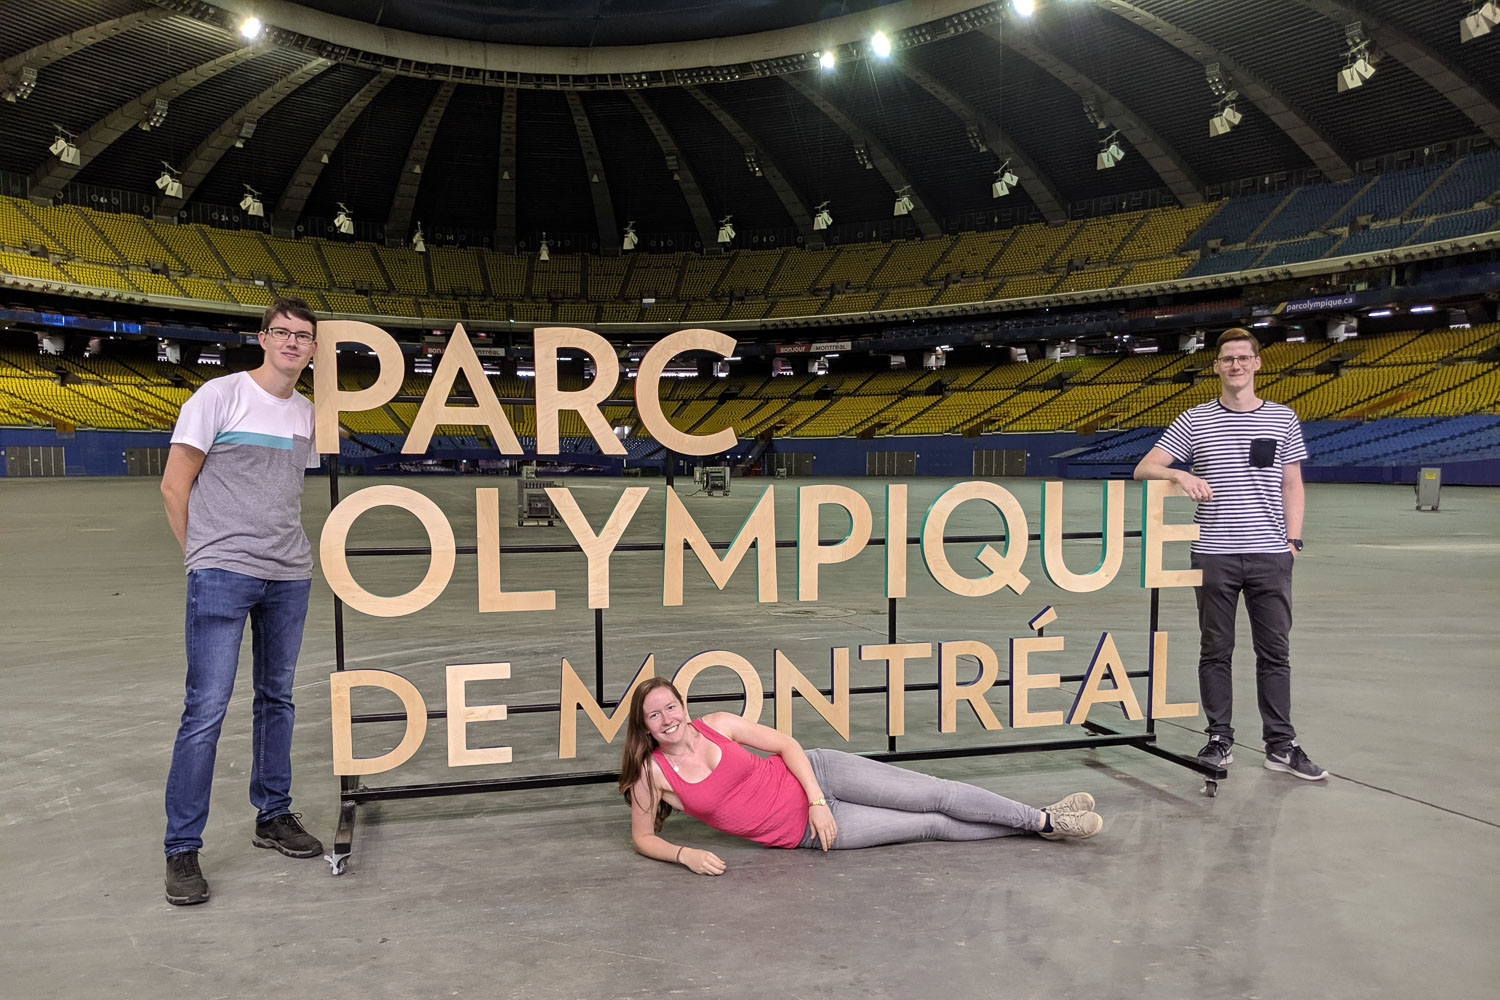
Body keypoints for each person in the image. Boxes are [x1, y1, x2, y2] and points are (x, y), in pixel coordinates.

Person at [159, 298, 326, 906]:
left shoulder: (307, 414)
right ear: (263, 338)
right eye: (281, 332)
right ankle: (182, 848)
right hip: (223, 573)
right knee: (205, 708)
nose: (291, 342)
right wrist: (200, 556)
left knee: (276, 698)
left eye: (302, 336)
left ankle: (272, 816)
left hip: (288, 574)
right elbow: (175, 485)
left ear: (311, 349)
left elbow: (283, 495)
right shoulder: (218, 396)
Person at [619, 677, 1103, 875]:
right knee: (928, 824)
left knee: (936, 793)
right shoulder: (652, 775)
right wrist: (685, 854)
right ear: (645, 726)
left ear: (683, 706)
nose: (667, 718)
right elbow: (643, 837)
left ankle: (1044, 820)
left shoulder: (718, 725)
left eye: (671, 706)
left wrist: (815, 799)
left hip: (820, 776)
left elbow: (787, 745)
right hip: (807, 833)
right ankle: (1042, 823)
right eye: (654, 715)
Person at [1133, 327, 1327, 781]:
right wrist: (1180, 476)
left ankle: (1281, 745)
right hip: (1214, 554)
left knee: (1274, 652)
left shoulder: (1282, 418)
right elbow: (1144, 467)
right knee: (1215, 650)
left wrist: (1293, 541)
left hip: (1269, 554)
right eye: (1227, 359)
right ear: (1217, 366)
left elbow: (1292, 483)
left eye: (1243, 358)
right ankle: (1219, 738)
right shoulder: (1194, 420)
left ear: (1257, 364)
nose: (1235, 365)